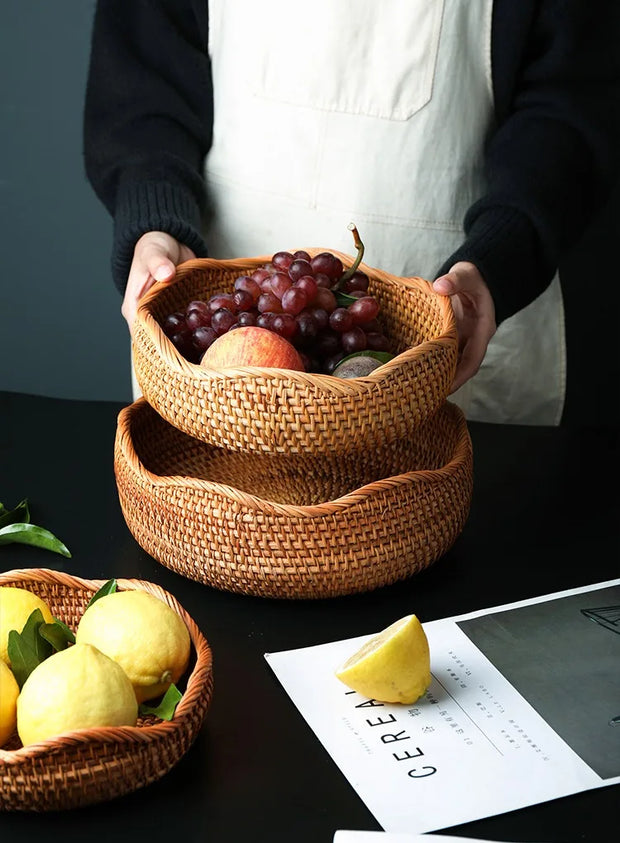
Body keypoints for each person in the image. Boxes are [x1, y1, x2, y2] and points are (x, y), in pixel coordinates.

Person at [83, 0, 620, 424]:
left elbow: (571, 108)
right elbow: (141, 94)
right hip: (219, 366)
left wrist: (503, 255)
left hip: (455, 339)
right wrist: (155, 219)